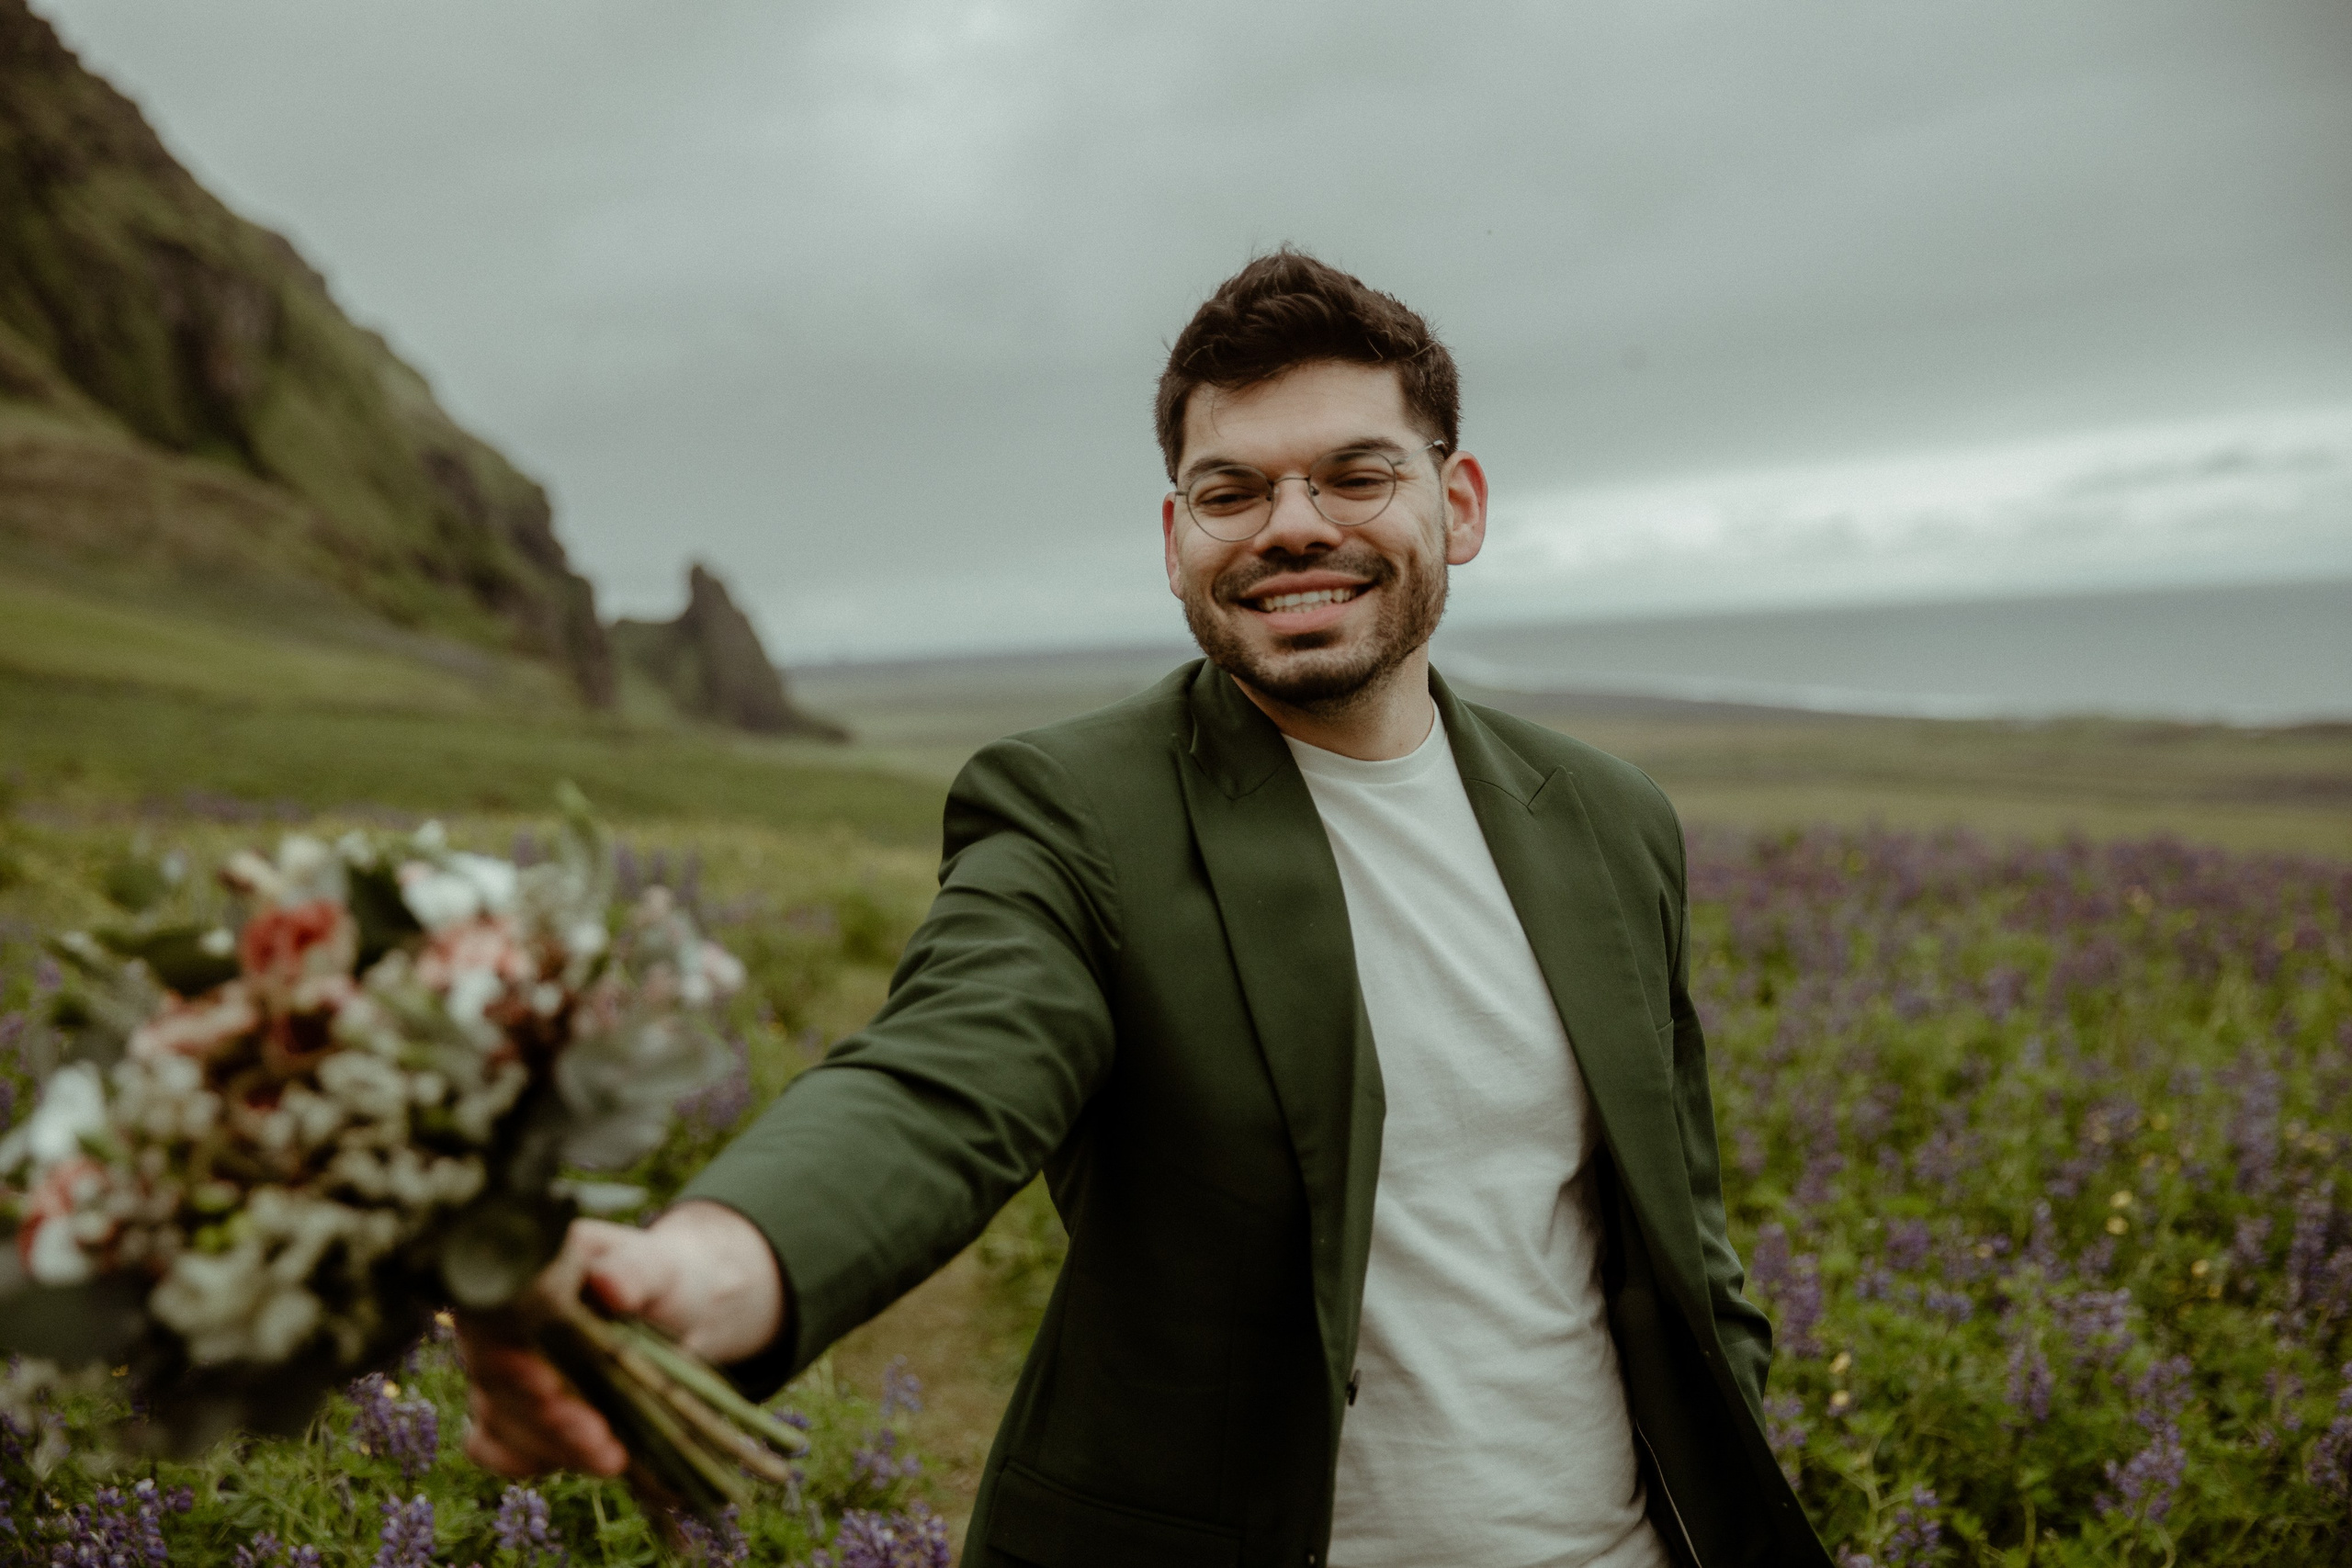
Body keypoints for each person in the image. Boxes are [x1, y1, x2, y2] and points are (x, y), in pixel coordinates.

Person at [462, 251, 1831, 1568]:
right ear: (1177, 541)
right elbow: (940, 1082)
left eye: (1358, 473)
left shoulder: (1606, 817)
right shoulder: (1076, 810)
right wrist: (709, 1270)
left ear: (1458, 504)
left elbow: (1675, 1215)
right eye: (1230, 491)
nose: (1294, 524)